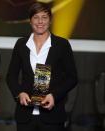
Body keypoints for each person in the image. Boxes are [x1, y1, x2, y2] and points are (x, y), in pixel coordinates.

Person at [6, 2, 77, 131]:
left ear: (50, 20)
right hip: (25, 115)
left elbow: (72, 78)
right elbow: (11, 76)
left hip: (52, 116)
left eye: (44, 17)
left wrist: (54, 95)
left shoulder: (62, 44)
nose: (40, 21)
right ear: (30, 20)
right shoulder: (21, 44)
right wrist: (19, 93)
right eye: (36, 17)